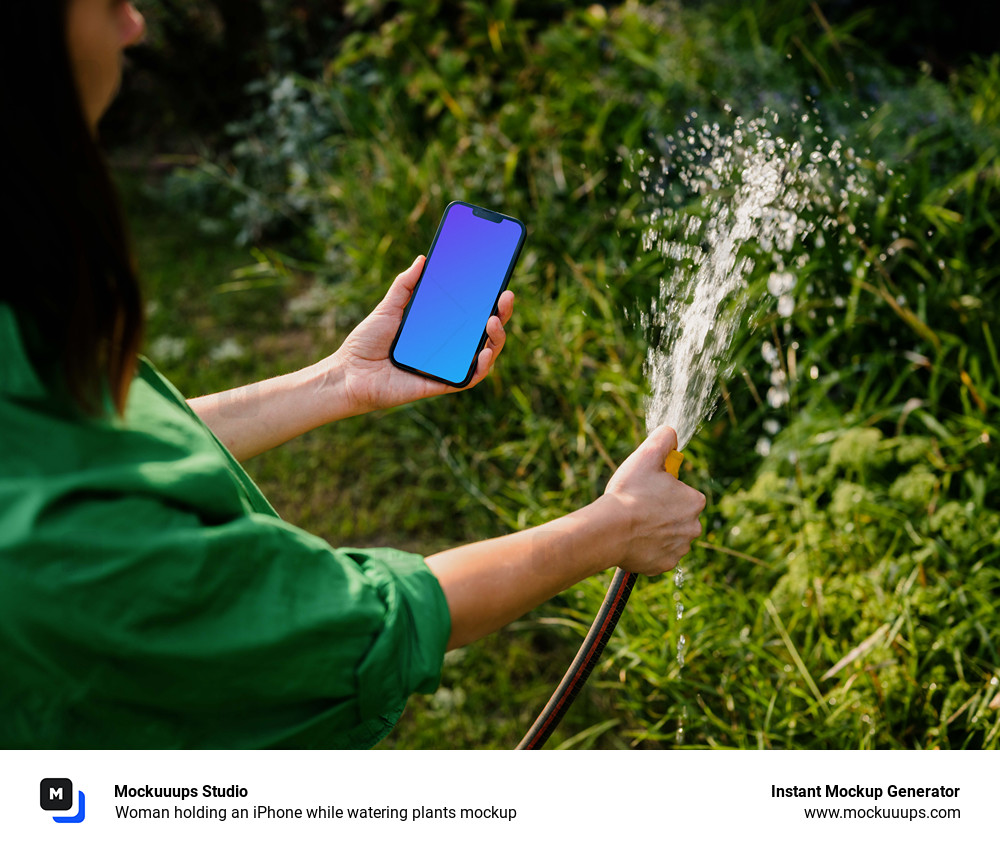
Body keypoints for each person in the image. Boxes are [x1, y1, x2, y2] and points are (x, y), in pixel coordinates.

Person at [0, 0, 706, 748]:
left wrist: (339, 380)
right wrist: (613, 528)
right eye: (109, 2)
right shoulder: (63, 544)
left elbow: (110, 443)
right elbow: (362, 627)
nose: (136, 24)